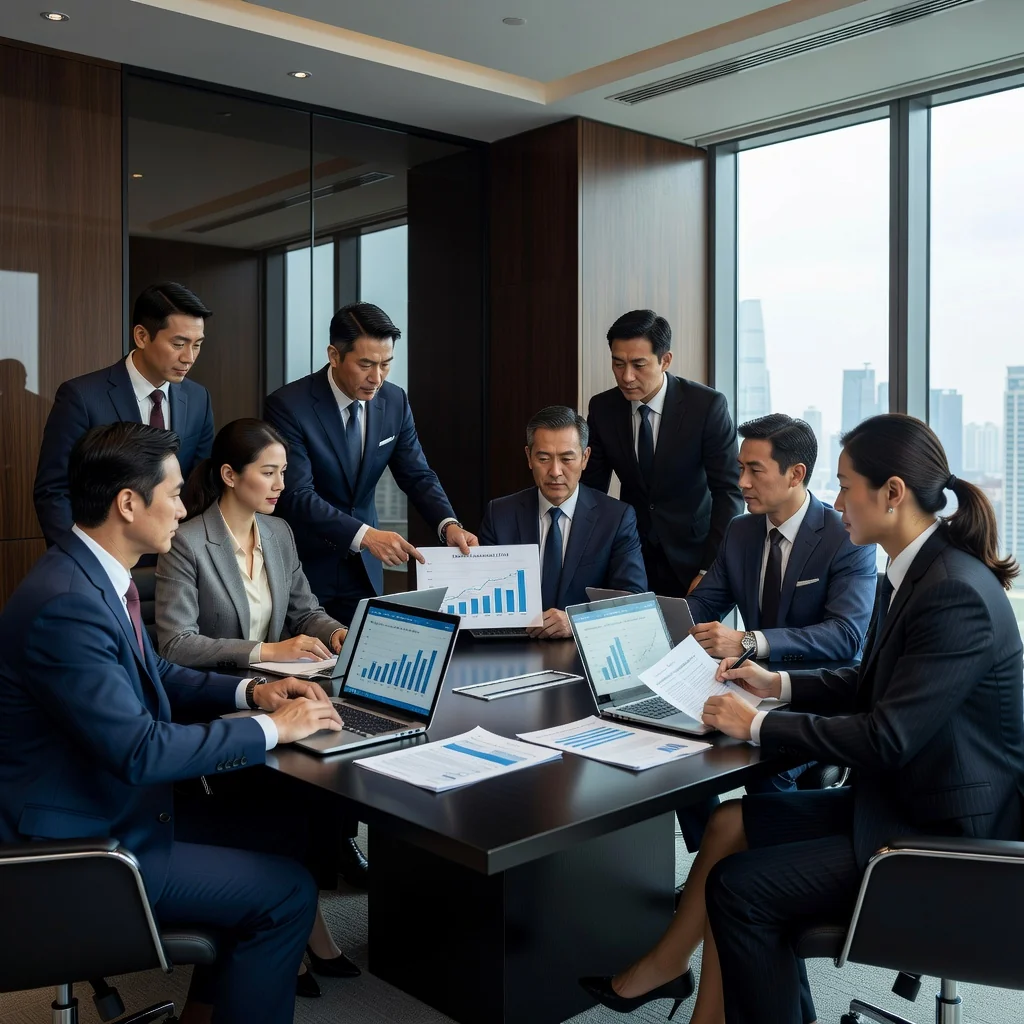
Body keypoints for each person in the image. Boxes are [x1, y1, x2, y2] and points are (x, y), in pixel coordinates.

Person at [580, 414, 1024, 1024]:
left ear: (892, 494)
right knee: (730, 823)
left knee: (739, 891)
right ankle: (688, 992)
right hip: (899, 802)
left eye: (845, 486)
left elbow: (885, 737)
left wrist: (756, 723)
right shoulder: (915, 571)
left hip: (939, 839)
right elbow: (868, 684)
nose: (836, 500)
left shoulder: (952, 592)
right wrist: (778, 684)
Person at [0, 422, 345, 1024]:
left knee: (276, 825)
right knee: (288, 893)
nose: (185, 508)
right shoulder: (68, 605)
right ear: (128, 503)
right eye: (176, 493)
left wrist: (254, 691)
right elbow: (140, 750)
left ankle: (206, 1012)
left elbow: (155, 676)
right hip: (81, 847)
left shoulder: (90, 576)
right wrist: (273, 730)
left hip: (104, 804)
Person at [155, 418, 365, 994]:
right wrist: (264, 650)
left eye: (283, 473)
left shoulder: (278, 533)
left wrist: (338, 631)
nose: (279, 485)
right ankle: (300, 931)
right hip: (214, 701)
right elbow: (175, 644)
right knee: (283, 794)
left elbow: (306, 610)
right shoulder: (187, 541)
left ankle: (307, 919)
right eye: (268, 473)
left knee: (330, 771)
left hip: (283, 693)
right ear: (230, 474)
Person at [676, 414, 878, 850]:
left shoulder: (844, 536)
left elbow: (845, 636)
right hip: (748, 683)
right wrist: (651, 623)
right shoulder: (740, 530)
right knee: (675, 746)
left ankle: (766, 860)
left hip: (817, 694)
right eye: (740, 468)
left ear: (795, 474)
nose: (741, 481)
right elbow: (703, 604)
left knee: (767, 763)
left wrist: (750, 641)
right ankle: (716, 850)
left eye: (754, 470)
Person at [264, 301, 476, 624]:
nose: (376, 378)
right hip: (304, 569)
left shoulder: (394, 401)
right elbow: (296, 495)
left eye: (386, 364)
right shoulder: (289, 406)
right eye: (365, 364)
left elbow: (417, 474)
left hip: (364, 571)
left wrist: (448, 524)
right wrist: (366, 535)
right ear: (334, 356)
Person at [34, 283, 215, 546]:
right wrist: (80, 560)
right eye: (178, 344)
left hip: (176, 557)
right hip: (102, 556)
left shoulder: (199, 398)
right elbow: (53, 491)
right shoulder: (82, 397)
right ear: (141, 336)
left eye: (197, 345)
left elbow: (199, 489)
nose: (189, 357)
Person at [581, 309, 743, 599]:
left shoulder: (706, 406)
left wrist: (710, 570)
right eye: (618, 364)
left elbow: (729, 492)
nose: (626, 376)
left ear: (665, 360)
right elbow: (593, 491)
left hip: (693, 558)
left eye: (638, 365)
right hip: (631, 559)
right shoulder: (603, 408)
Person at [478, 406, 647, 639]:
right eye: (544, 459)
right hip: (514, 649)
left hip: (583, 651)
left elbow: (633, 600)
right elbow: (484, 595)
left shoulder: (616, 518)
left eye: (567, 459)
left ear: (585, 458)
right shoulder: (500, 514)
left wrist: (575, 621)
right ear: (528, 457)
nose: (555, 471)